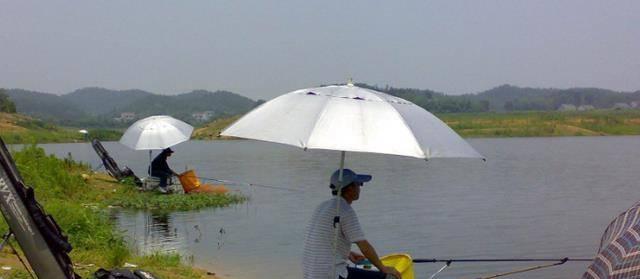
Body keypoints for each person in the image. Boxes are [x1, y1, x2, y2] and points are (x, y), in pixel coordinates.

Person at [303, 169, 401, 279]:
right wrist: (383, 268)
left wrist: (348, 253)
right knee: (390, 277)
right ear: (350, 188)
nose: (360, 188)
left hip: (311, 273)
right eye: (359, 184)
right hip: (331, 274)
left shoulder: (322, 206)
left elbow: (322, 239)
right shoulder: (344, 210)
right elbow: (364, 246)